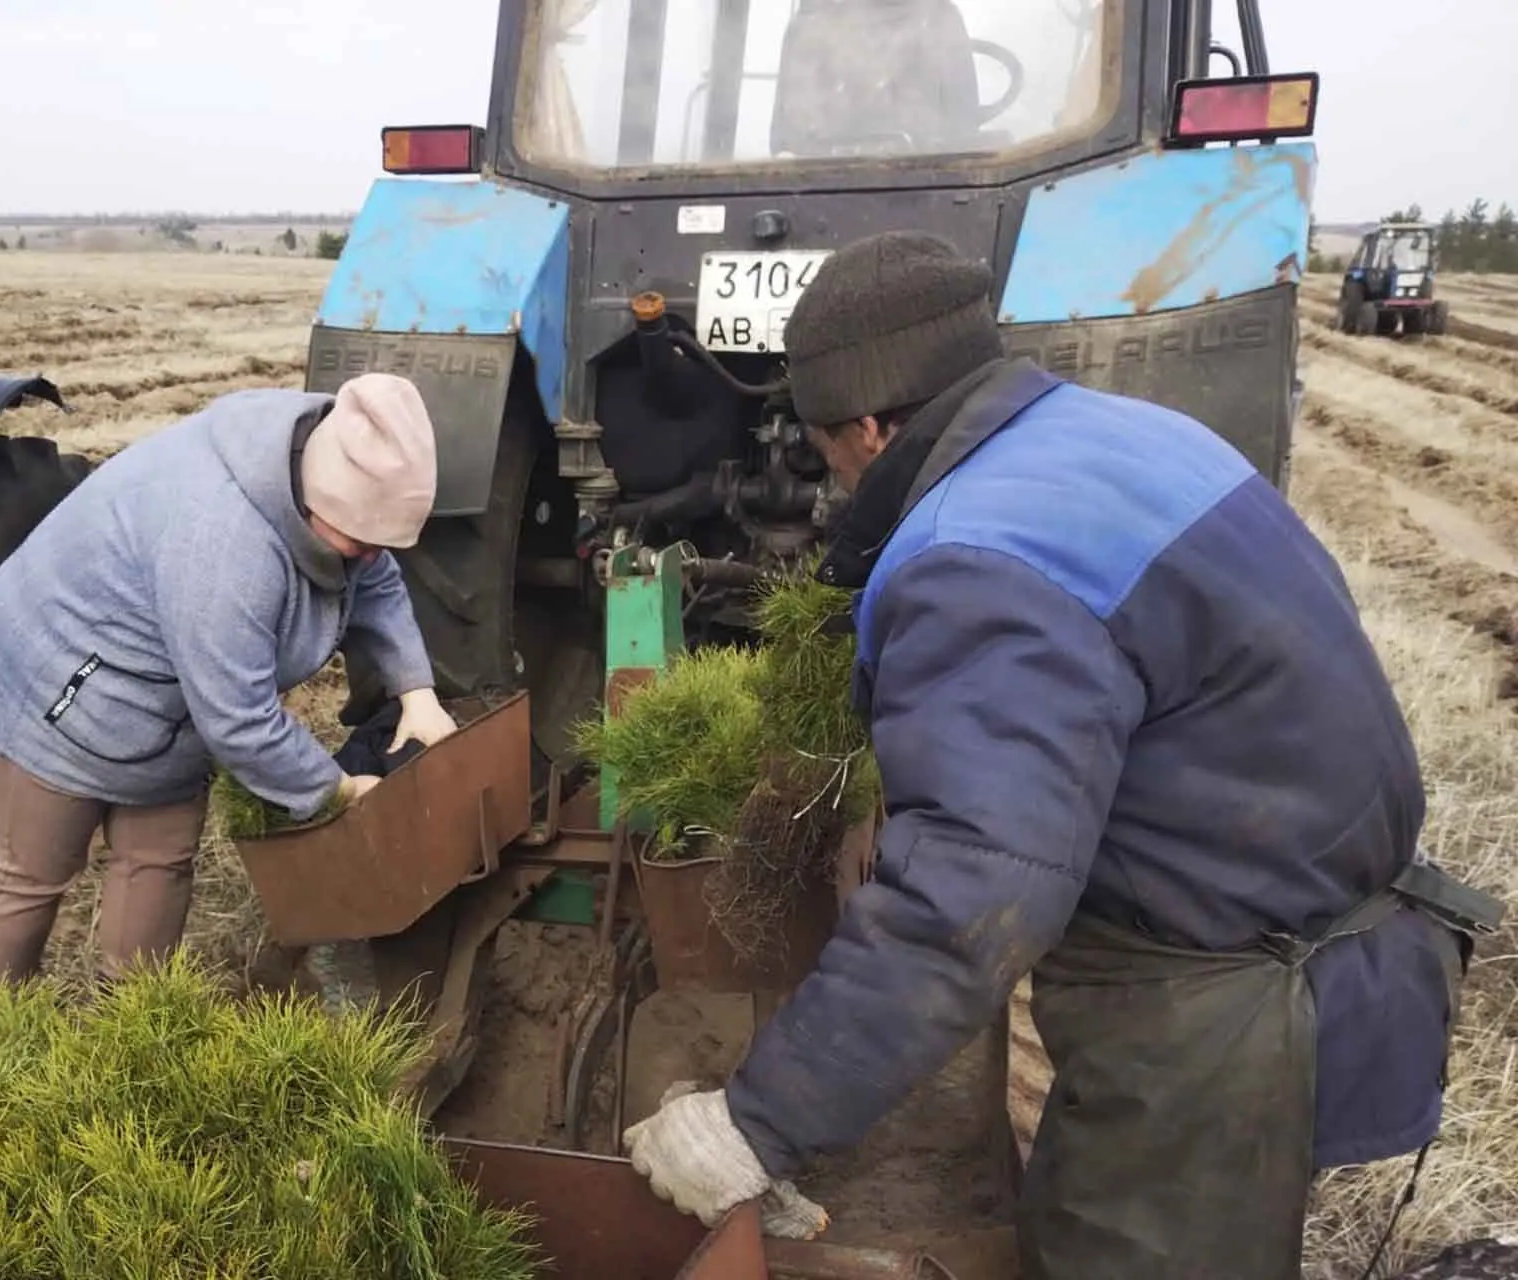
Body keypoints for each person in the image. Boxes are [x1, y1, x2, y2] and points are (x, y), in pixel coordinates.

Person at [621, 231, 1500, 1277]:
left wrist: (755, 1124)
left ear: (867, 427)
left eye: (826, 449)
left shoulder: (979, 560)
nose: (836, 476)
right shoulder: (1123, 434)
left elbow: (967, 901)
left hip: (1227, 1002)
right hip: (1288, 908)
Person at [0, 373, 458, 997]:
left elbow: (373, 577)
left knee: (161, 857)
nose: (369, 554)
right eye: (360, 539)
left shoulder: (325, 462)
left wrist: (417, 694)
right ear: (319, 500)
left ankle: (132, 1015)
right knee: (34, 870)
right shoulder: (223, 544)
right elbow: (239, 721)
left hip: (166, 703)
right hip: (53, 683)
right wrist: (335, 789)